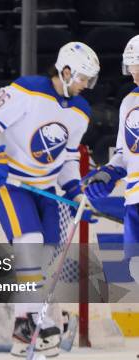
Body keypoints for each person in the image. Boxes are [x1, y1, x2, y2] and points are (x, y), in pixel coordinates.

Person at [0, 42, 100, 358]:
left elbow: (68, 159)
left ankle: (21, 328)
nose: (85, 85)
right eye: (82, 77)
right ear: (65, 70)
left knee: (45, 254)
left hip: (46, 189)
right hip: (11, 185)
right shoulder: (26, 90)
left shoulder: (81, 111)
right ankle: (31, 321)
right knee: (30, 241)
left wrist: (75, 192)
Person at [83, 35, 139, 282]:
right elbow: (124, 155)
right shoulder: (129, 102)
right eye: (131, 68)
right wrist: (106, 174)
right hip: (135, 201)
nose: (134, 76)